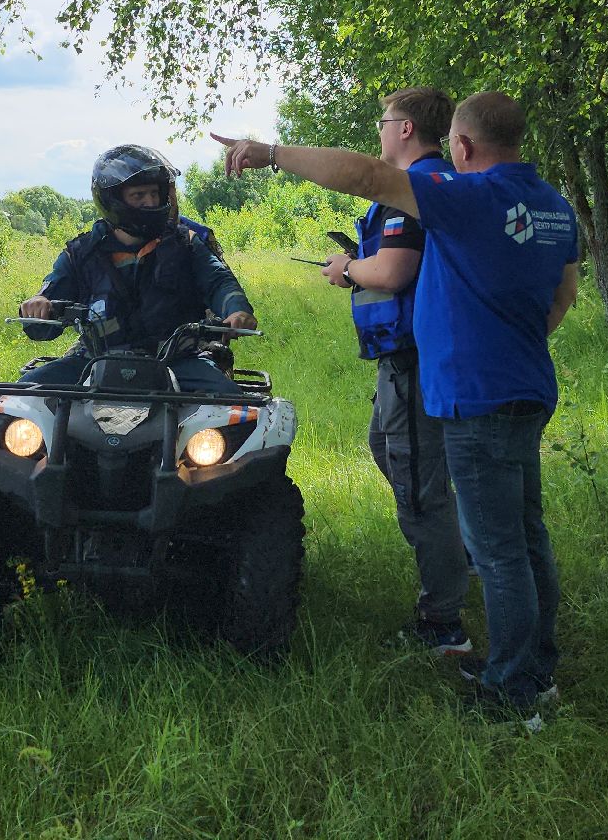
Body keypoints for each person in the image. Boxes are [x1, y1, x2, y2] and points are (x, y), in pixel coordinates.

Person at [214, 92, 580, 722]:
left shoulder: (470, 198)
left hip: (475, 395)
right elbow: (564, 294)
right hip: (525, 384)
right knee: (525, 536)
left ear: (461, 146)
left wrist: (270, 153)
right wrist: (510, 342)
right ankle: (536, 668)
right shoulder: (552, 205)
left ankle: (516, 690)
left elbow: (368, 176)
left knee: (498, 550)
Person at [317, 87, 470, 657]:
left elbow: (395, 271)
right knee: (388, 448)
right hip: (411, 357)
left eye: (384, 122)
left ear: (405, 129)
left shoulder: (412, 192)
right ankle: (463, 558)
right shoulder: (438, 186)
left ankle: (443, 623)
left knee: (419, 489)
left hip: (412, 357)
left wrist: (347, 268)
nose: (378, 131)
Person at [18, 144, 257, 394]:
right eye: (139, 195)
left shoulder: (186, 244)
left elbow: (219, 281)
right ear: (112, 199)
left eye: (154, 193)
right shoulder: (81, 253)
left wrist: (236, 310)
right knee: (22, 397)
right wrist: (38, 304)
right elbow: (44, 315)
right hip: (95, 360)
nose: (151, 202)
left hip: (178, 360)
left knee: (232, 405)